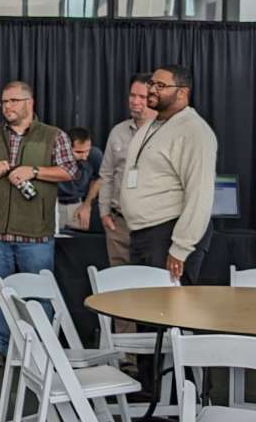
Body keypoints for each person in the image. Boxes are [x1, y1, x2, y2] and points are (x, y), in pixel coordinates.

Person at [0, 81, 75, 367]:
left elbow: (68, 170)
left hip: (35, 235)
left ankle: (41, 347)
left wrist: (34, 171)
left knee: (39, 294)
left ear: (30, 103)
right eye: (4, 102)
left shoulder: (53, 135)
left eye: (13, 101)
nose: (7, 107)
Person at [119, 65, 217, 283]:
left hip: (169, 236)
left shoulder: (194, 131)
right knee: (143, 313)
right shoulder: (154, 124)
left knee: (166, 312)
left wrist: (181, 248)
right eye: (152, 83)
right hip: (144, 235)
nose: (152, 89)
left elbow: (200, 194)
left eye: (161, 85)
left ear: (182, 92)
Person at [98, 74, 153, 266]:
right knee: (119, 285)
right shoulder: (118, 132)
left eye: (142, 97)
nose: (135, 101)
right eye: (132, 95)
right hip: (119, 223)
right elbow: (106, 174)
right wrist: (104, 212)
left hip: (153, 225)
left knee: (152, 286)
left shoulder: (167, 132)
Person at [57, 128, 103, 232]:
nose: (84, 156)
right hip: (54, 205)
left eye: (87, 151)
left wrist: (87, 205)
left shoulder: (94, 154)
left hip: (79, 205)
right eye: (79, 152)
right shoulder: (55, 155)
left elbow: (99, 178)